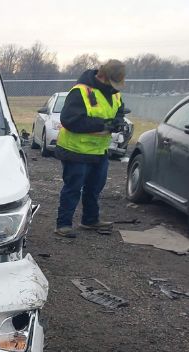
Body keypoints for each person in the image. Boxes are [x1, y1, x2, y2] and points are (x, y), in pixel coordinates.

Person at [53, 59, 127, 238]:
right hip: (76, 150)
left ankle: (90, 220)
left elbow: (119, 110)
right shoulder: (81, 91)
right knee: (73, 187)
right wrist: (104, 124)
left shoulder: (114, 93)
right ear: (103, 76)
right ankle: (63, 224)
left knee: (95, 187)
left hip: (99, 150)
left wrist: (118, 121)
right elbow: (70, 120)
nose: (115, 86)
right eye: (112, 82)